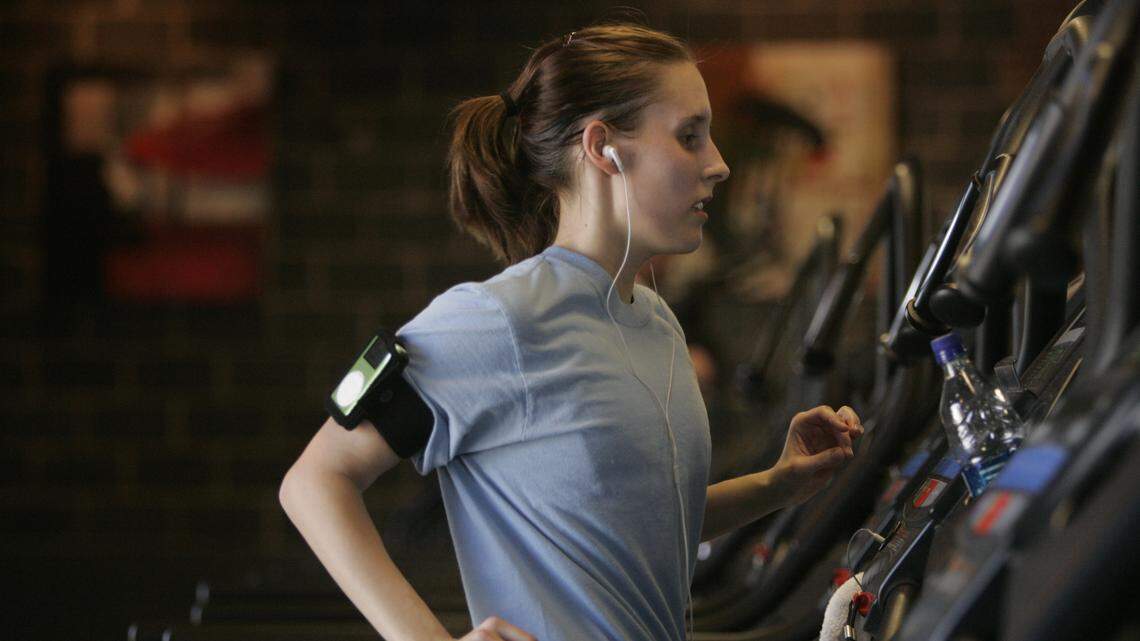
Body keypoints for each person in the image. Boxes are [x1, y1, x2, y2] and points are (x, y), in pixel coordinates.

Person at [279, 22, 863, 641]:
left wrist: (780, 482)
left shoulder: (655, 320)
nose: (718, 164)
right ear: (601, 147)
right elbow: (315, 482)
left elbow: (642, 526)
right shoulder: (498, 320)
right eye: (689, 137)